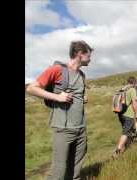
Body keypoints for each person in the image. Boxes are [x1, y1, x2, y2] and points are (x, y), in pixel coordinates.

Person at [26, 40, 93, 180]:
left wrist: (82, 98)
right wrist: (57, 97)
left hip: (81, 128)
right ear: (80, 54)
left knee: (75, 170)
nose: (90, 58)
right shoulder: (57, 69)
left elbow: (75, 94)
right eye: (89, 55)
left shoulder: (82, 75)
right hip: (63, 129)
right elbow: (31, 88)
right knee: (59, 171)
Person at [113, 76, 137, 157]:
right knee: (126, 132)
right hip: (129, 114)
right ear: (134, 82)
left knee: (128, 131)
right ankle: (117, 151)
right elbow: (134, 103)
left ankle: (128, 147)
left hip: (121, 114)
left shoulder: (123, 89)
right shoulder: (132, 90)